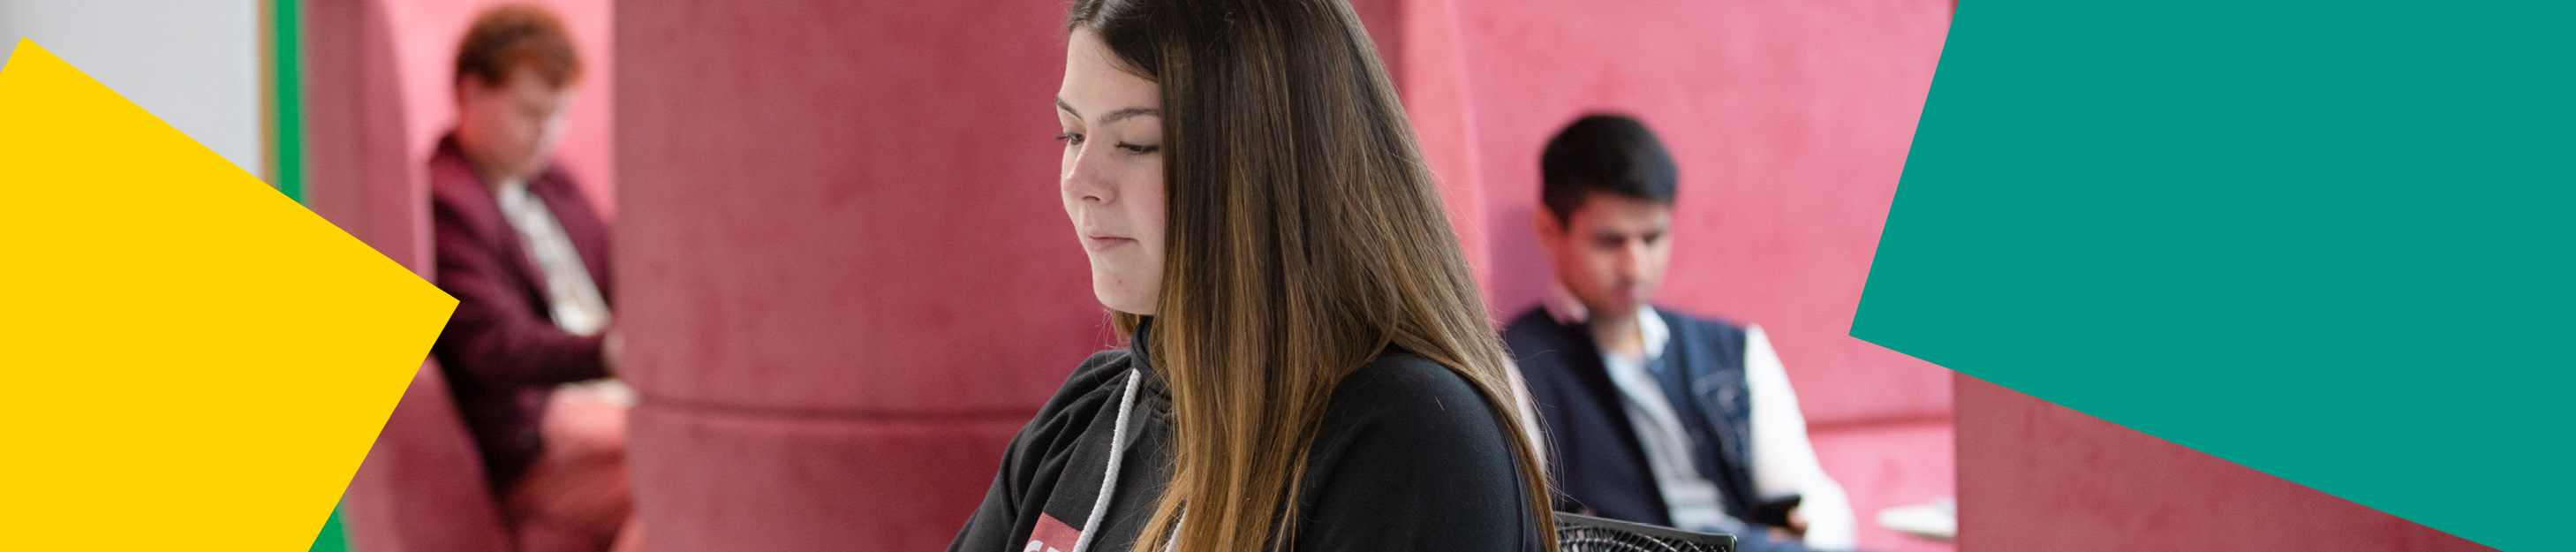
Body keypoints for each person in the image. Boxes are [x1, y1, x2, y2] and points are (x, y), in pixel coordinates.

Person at [946, 0, 1555, 550]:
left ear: (1271, 170)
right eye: (1071, 133)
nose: (1079, 180)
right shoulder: (1090, 411)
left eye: (1135, 143)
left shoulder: (1413, 438)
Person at [1503, 114, 1857, 551]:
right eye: (1610, 242)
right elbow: (1524, 530)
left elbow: (1812, 498)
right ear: (1548, 231)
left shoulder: (1734, 349)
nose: (1635, 267)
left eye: (1652, 238)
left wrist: (1809, 529)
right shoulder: (1512, 365)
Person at [427, 5, 638, 552]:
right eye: (530, 113)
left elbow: (618, 268)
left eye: (559, 115)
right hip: (538, 424)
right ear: (472, 93)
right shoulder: (448, 200)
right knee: (673, 469)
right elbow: (495, 346)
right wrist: (610, 353)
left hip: (602, 394)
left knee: (683, 452)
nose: (547, 133)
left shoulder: (548, 179)